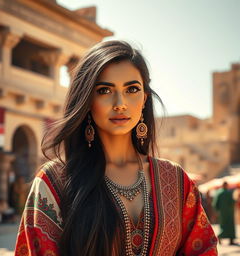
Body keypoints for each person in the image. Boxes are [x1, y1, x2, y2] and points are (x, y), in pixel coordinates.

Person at [15, 40, 217, 255]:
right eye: (104, 90)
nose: (120, 102)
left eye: (132, 89)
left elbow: (203, 249)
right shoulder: (55, 181)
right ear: (87, 101)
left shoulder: (175, 179)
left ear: (144, 99)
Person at [213, 181, 237, 245]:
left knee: (223, 226)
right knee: (230, 226)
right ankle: (230, 239)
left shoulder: (219, 193)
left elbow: (215, 203)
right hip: (229, 212)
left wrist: (217, 211)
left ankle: (220, 237)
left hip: (222, 213)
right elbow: (232, 202)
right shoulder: (229, 193)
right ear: (226, 185)